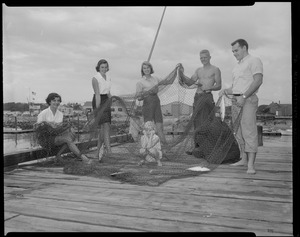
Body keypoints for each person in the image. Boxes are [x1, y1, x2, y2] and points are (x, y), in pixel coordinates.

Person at [219, 39, 263, 174]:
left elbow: (258, 80)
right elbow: (236, 87)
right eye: (232, 51)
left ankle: (251, 165)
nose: (234, 53)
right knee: (238, 132)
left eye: (236, 50)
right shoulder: (237, 67)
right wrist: (226, 90)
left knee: (249, 131)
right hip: (235, 101)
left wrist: (244, 97)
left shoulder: (254, 60)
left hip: (248, 100)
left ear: (244, 48)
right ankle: (243, 159)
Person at [178, 49, 222, 154]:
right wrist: (181, 72)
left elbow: (219, 85)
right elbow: (189, 82)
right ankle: (197, 147)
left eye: (205, 57)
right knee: (196, 122)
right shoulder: (198, 70)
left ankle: (208, 148)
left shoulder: (215, 69)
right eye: (201, 58)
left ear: (210, 57)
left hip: (207, 97)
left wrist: (210, 88)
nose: (203, 59)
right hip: (197, 97)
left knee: (207, 122)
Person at [36, 92, 91, 164]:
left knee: (71, 134)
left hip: (56, 137)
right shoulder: (44, 113)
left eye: (58, 101)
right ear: (49, 101)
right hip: (45, 139)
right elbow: (38, 127)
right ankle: (82, 157)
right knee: (67, 139)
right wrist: (49, 125)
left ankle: (59, 155)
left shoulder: (60, 114)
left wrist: (68, 128)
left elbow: (60, 127)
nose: (56, 102)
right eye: (54, 100)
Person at [135, 61, 168, 145]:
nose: (146, 69)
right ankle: (148, 147)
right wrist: (145, 94)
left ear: (151, 68)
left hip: (156, 103)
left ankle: (165, 146)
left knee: (159, 127)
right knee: (148, 129)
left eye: (148, 67)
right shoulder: (140, 82)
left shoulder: (156, 78)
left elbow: (166, 82)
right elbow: (138, 97)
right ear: (142, 70)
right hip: (147, 105)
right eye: (144, 68)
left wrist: (176, 71)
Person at [92, 59, 112, 162]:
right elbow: (97, 95)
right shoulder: (95, 78)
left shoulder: (108, 77)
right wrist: (98, 109)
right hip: (98, 101)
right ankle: (109, 151)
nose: (104, 69)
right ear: (98, 68)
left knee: (104, 129)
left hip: (106, 101)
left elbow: (108, 92)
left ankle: (96, 153)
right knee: (106, 126)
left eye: (105, 67)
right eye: (102, 67)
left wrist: (111, 101)